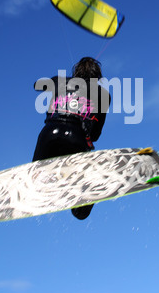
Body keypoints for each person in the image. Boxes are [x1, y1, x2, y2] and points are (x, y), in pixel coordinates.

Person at [33, 57, 111, 220]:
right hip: (78, 140)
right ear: (98, 77)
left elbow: (36, 85)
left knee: (36, 182)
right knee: (81, 213)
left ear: (76, 71)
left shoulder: (58, 81)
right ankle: (80, 197)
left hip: (49, 134)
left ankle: (45, 182)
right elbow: (95, 135)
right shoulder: (104, 95)